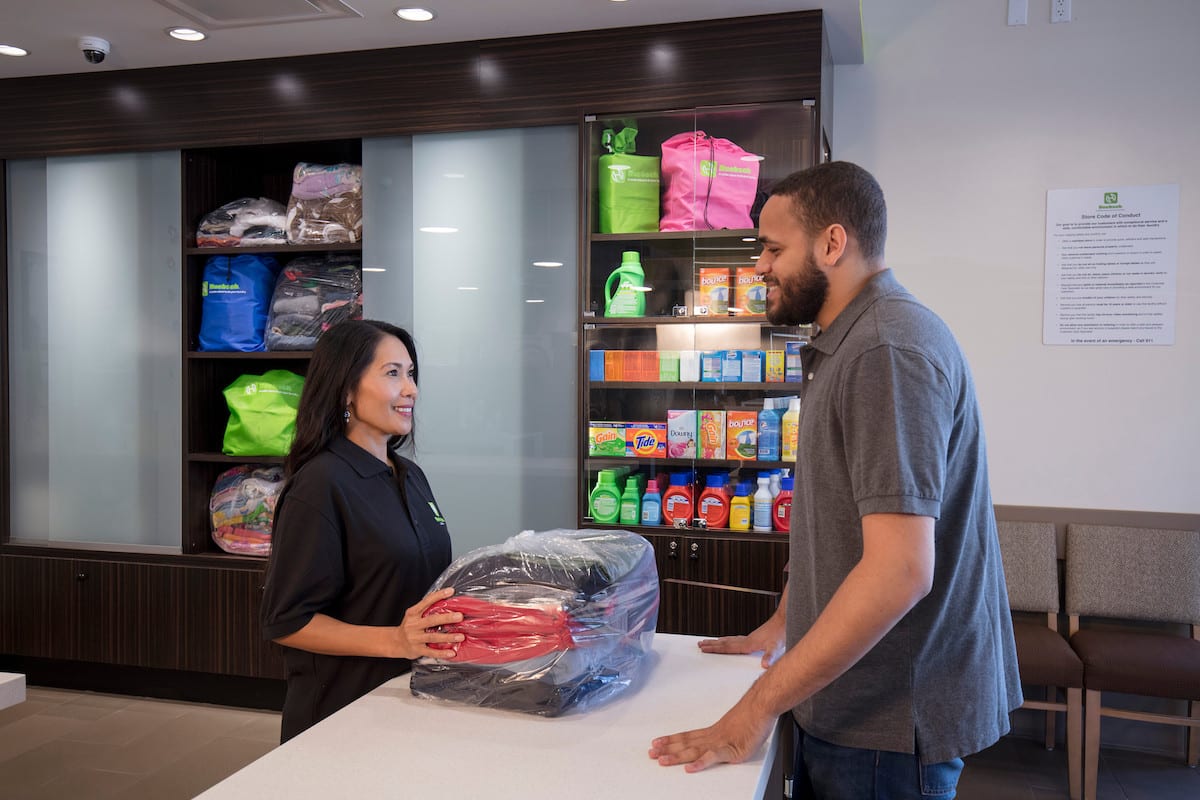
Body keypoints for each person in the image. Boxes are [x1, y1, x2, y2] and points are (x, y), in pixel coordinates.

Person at [649, 162, 1021, 798]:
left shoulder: (885, 350)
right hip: (853, 703)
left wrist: (757, 705)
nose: (760, 267)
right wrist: (784, 623)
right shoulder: (847, 343)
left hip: (886, 721)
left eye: (772, 248)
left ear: (832, 242)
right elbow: (836, 518)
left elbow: (900, 570)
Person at [261, 319, 465, 743]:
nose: (411, 389)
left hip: (412, 702)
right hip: (342, 715)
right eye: (393, 373)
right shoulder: (320, 485)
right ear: (347, 389)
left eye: (411, 374)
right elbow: (287, 621)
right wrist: (396, 640)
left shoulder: (409, 475)